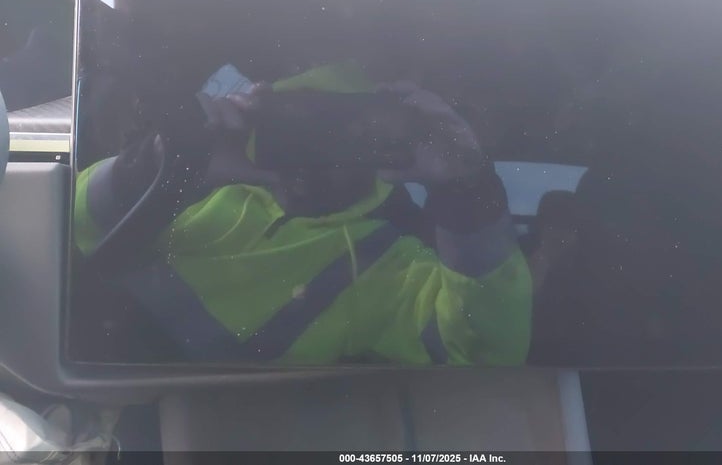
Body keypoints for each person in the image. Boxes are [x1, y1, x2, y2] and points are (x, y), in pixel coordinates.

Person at [73, 63, 531, 366]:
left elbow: (484, 354)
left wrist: (466, 189)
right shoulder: (196, 183)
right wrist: (167, 163)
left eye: (342, 137)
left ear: (380, 149)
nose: (315, 155)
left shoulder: (386, 265)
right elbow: (68, 230)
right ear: (263, 119)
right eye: (297, 128)